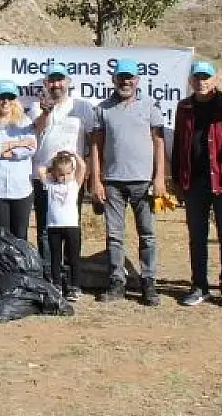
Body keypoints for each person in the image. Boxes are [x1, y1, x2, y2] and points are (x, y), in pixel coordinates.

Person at [89, 58, 166, 306]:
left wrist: (160, 178)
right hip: (112, 182)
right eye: (121, 76)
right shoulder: (102, 109)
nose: (126, 81)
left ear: (137, 80)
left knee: (148, 234)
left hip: (143, 182)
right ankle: (116, 282)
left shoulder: (149, 106)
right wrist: (96, 181)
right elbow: (96, 146)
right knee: (114, 236)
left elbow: (159, 142)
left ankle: (148, 283)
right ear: (114, 79)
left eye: (130, 77)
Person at [171, 60, 222, 308]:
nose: (202, 82)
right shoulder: (185, 106)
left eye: (206, 77)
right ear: (191, 80)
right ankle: (199, 286)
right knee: (197, 237)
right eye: (197, 77)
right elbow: (179, 144)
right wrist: (177, 180)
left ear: (214, 80)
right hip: (193, 182)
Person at [31, 62, 96, 275]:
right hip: (44, 177)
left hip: (71, 179)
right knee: (44, 228)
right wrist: (45, 112)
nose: (56, 84)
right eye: (52, 80)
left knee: (71, 226)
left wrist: (90, 172)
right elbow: (37, 131)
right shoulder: (35, 106)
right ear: (45, 83)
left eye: (60, 80)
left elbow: (93, 140)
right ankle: (50, 274)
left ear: (68, 82)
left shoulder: (82, 107)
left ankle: (71, 275)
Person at [0, 80, 37, 240]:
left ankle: (20, 265)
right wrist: (17, 143)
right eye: (2, 97)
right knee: (1, 236)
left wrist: (3, 150)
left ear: (15, 100)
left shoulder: (25, 122)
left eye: (10, 97)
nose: (5, 101)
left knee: (20, 235)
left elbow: (30, 148)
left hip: (21, 187)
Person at [38, 151, 86, 301]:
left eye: (67, 173)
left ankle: (75, 287)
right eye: (61, 174)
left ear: (72, 172)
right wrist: (52, 160)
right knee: (55, 258)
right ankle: (57, 285)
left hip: (72, 227)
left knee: (73, 258)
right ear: (54, 173)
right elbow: (40, 170)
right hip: (54, 227)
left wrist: (73, 154)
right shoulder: (50, 184)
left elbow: (82, 167)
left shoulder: (74, 184)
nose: (64, 177)